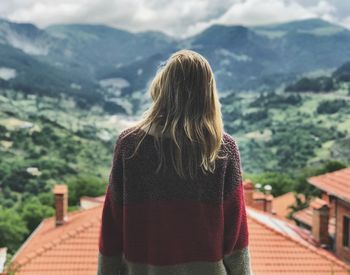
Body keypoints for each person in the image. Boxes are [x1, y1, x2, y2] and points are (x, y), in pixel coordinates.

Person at [97, 49, 253, 275]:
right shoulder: (223, 149)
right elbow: (235, 237)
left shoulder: (130, 145)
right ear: (208, 93)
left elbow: (112, 231)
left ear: (163, 88)